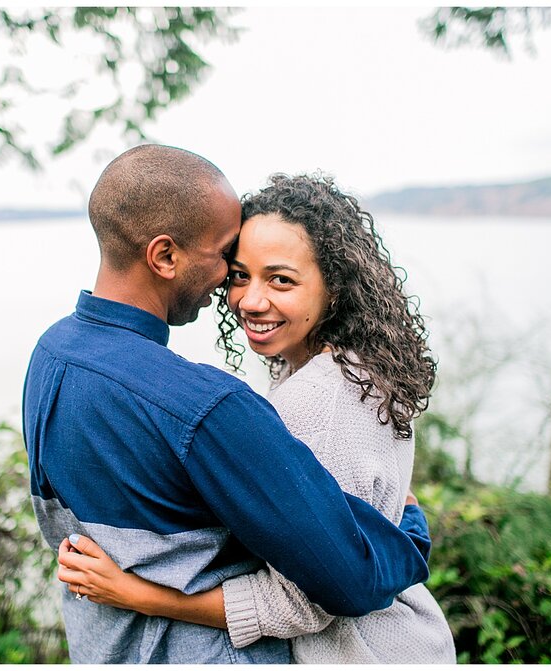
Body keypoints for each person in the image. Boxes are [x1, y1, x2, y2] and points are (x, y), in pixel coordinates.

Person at [22, 146, 434, 664]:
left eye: (278, 277)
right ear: (165, 256)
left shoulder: (52, 354)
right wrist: (411, 536)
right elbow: (352, 579)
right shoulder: (205, 408)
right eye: (228, 261)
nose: (229, 289)